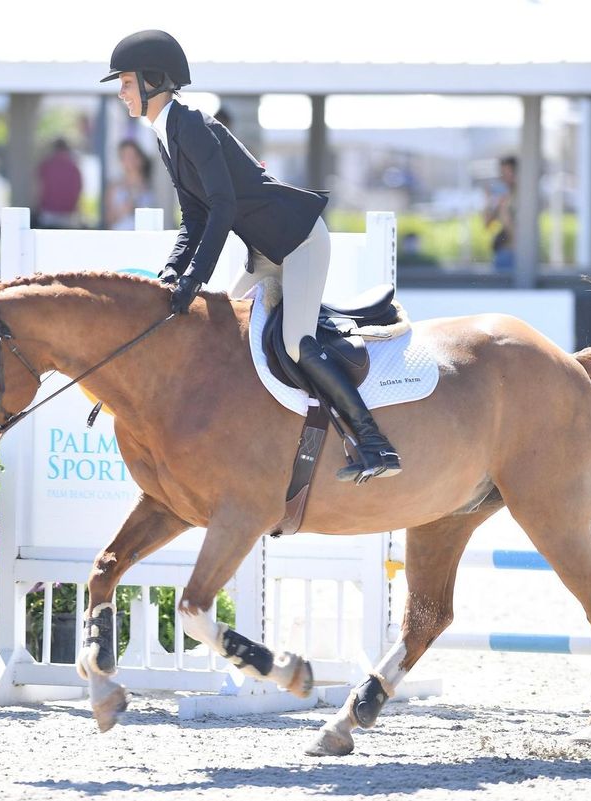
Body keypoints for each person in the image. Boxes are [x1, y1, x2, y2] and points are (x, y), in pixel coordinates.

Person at [100, 30, 400, 483]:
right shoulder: (168, 134)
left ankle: (374, 443)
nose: (121, 92)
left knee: (298, 342)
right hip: (264, 254)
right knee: (223, 328)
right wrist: (171, 273)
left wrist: (193, 280)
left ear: (153, 80)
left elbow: (223, 206)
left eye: (125, 82)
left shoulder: (192, 125)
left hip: (298, 242)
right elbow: (195, 216)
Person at [105, 138, 155, 230]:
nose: (129, 161)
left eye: (132, 156)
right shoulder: (114, 187)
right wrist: (123, 210)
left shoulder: (151, 187)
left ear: (140, 158)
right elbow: (108, 219)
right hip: (120, 238)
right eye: (124, 156)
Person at [35, 138, 83, 228]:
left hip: (48, 214)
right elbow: (79, 190)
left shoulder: (46, 165)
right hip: (68, 215)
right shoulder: (74, 168)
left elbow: (39, 188)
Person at [483, 155, 517, 271]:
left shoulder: (522, 197)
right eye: (502, 174)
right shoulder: (501, 195)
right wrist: (489, 202)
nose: (505, 179)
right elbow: (487, 225)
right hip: (501, 252)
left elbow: (517, 237)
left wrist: (504, 210)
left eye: (508, 174)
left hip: (515, 253)